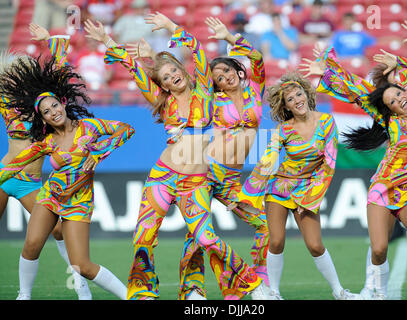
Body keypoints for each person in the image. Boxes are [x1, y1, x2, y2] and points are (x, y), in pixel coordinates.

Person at [84, 12, 269, 300]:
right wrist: (107, 40)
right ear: (164, 85)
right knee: (143, 238)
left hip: (195, 182)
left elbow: (196, 48)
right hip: (162, 176)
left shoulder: (207, 93)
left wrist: (171, 27)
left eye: (175, 71)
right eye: (166, 78)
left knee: (206, 238)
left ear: (182, 70)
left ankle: (246, 284)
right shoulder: (163, 101)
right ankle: (143, 295)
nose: (173, 77)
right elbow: (132, 66)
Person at [306, 44, 407, 300]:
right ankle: (378, 293)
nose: (398, 101)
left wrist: (400, 61)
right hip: (383, 188)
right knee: (379, 249)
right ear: (389, 110)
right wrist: (327, 71)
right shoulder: (390, 121)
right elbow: (357, 91)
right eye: (391, 102)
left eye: (398, 95)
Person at [0, 51, 134, 300]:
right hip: (50, 198)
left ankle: (131, 296)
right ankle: (24, 296)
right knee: (31, 246)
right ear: (43, 119)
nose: (53, 112)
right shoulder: (46, 141)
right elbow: (14, 166)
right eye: (46, 112)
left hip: (79, 202)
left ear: (62, 102)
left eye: (54, 106)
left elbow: (127, 130)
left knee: (83, 265)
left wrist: (97, 155)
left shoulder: (90, 128)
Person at [235, 70, 359, 300]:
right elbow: (268, 159)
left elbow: (328, 164)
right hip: (280, 188)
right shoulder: (282, 129)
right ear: (287, 107)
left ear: (307, 94)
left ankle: (339, 292)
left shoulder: (327, 121)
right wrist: (247, 193)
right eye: (290, 100)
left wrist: (310, 198)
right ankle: (274, 292)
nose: (297, 101)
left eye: (299, 94)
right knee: (276, 240)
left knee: (315, 245)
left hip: (308, 189)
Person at [177, 17, 270, 300]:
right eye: (218, 77)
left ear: (236, 70)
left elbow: (257, 58)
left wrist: (229, 37)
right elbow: (197, 71)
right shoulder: (212, 100)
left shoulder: (256, 90)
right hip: (207, 170)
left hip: (232, 179)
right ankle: (193, 291)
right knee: (198, 231)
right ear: (214, 83)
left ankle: (258, 284)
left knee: (264, 226)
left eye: (227, 71)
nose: (224, 77)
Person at [0, 23, 93, 300]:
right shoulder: (6, 101)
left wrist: (47, 41)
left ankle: (81, 285)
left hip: (30, 181)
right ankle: (24, 295)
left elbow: (62, 68)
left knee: (57, 231)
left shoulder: (46, 107)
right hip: (6, 174)